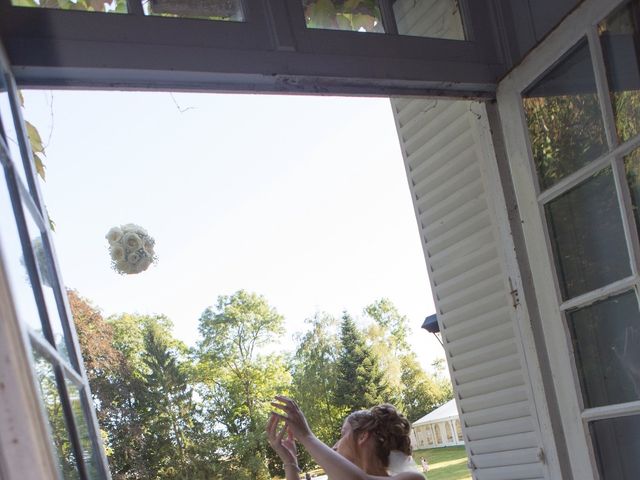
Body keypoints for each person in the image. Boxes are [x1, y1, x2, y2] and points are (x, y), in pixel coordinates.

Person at [267, 395, 423, 480]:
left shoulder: (412, 479)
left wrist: (306, 436)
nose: (335, 446)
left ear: (362, 436)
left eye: (342, 434)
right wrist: (290, 462)